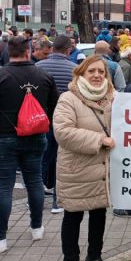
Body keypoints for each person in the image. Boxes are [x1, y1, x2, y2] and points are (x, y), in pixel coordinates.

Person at [0, 36, 59, 253]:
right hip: (36, 135)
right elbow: (55, 106)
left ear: (6, 53)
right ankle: (37, 227)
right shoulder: (44, 75)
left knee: (4, 187)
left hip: (5, 136)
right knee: (34, 182)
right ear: (29, 51)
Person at [53, 55, 115, 261]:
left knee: (99, 216)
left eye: (101, 72)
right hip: (77, 170)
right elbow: (63, 132)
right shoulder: (68, 99)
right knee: (73, 217)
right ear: (81, 74)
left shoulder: (113, 98)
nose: (97, 75)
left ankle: (94, 257)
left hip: (101, 170)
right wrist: (101, 140)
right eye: (92, 71)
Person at [36, 35, 78, 214]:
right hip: (66, 121)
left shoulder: (37, 68)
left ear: (52, 49)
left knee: (41, 158)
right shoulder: (75, 69)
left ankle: (39, 195)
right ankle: (57, 201)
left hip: (40, 120)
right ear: (69, 50)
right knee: (62, 158)